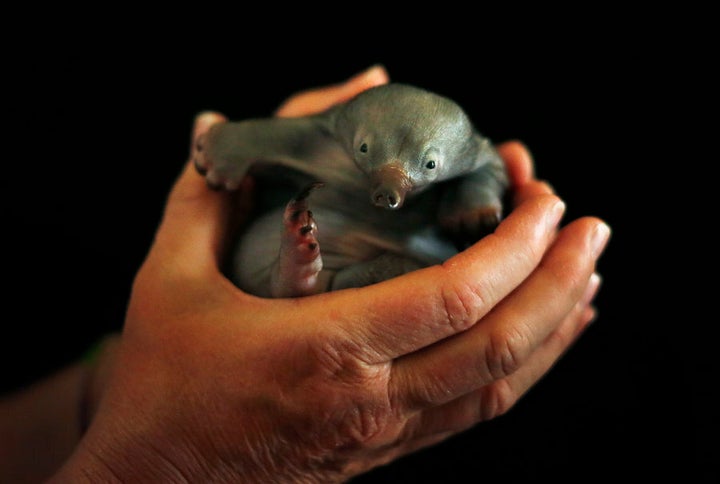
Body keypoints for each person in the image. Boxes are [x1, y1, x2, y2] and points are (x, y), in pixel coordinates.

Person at [0, 65, 610, 483]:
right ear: (351, 132)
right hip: (300, 239)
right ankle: (298, 275)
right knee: (274, 245)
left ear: (450, 156)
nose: (391, 185)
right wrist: (164, 460)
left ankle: (311, 278)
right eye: (373, 156)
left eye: (424, 167)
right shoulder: (327, 130)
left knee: (395, 271)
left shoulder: (470, 155)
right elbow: (256, 139)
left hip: (396, 268)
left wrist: (468, 201)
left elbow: (485, 171)